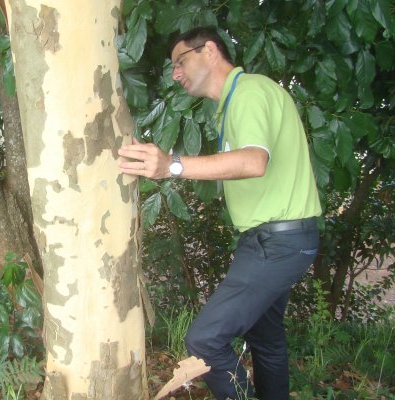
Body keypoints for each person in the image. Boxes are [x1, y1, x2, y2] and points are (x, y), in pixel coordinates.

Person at [118, 27, 322, 400]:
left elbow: (253, 161)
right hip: (276, 240)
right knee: (266, 339)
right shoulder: (233, 104)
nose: (176, 74)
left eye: (181, 62)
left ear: (210, 50)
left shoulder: (249, 93)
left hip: (277, 242)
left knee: (205, 340)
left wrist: (171, 166)